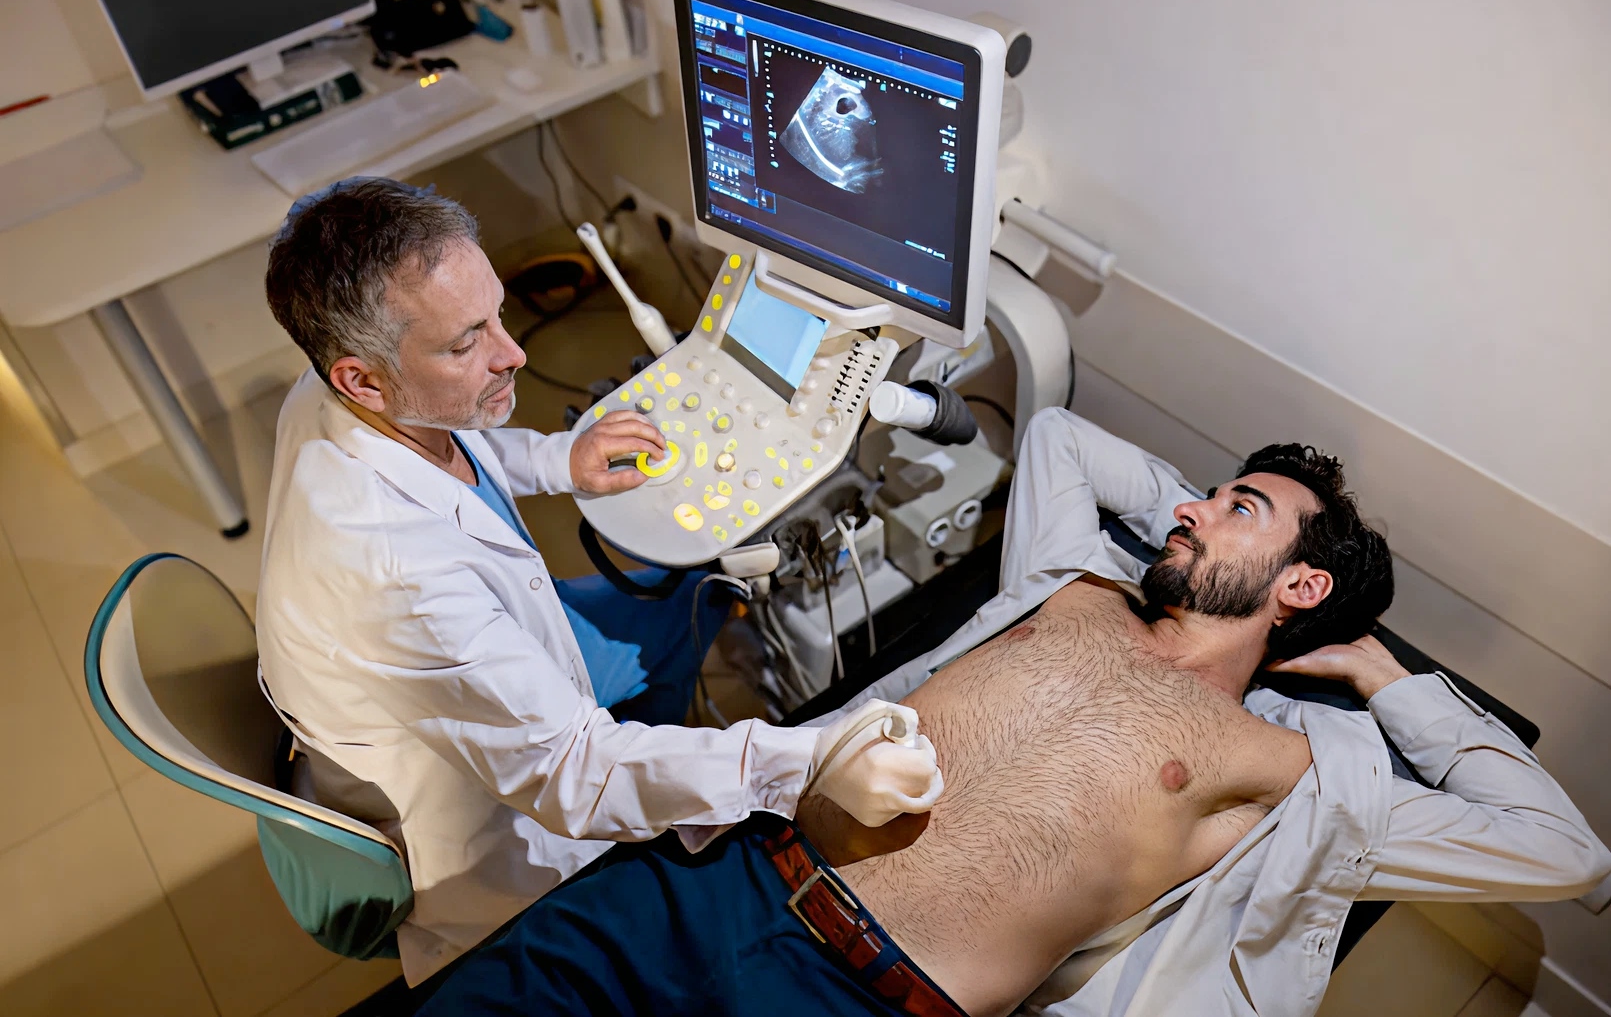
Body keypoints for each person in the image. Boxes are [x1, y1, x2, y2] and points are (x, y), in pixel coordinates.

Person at [418, 408, 1611, 1017]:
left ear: (1303, 586)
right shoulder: (1073, 584)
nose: (1187, 510)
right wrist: (1201, 519)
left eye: (1237, 505)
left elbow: (1565, 853)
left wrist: (1381, 673)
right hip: (710, 871)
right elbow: (1059, 438)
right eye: (1195, 496)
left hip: (855, 1000)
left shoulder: (1286, 768)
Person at [254, 178, 944, 985]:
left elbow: (443, 447)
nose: (512, 353)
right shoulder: (392, 569)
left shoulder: (339, 391)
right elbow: (575, 775)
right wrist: (812, 759)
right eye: (464, 343)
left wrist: (558, 459)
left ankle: (672, 727)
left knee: (692, 594)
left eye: (497, 315)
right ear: (360, 379)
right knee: (699, 621)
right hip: (479, 825)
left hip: (464, 666)